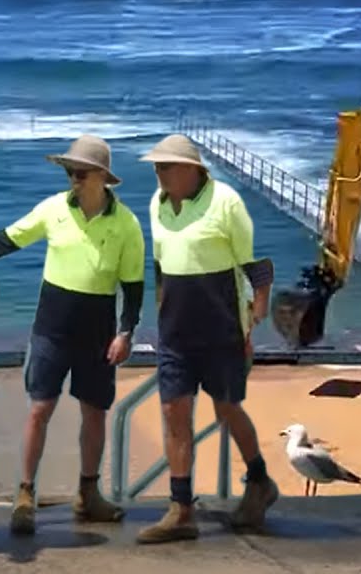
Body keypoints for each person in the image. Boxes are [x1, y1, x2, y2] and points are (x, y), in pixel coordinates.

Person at [0, 135, 144, 535]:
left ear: (102, 177)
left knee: (95, 412)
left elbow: (133, 286)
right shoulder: (53, 208)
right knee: (40, 409)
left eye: (80, 172)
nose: (73, 178)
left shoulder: (127, 224)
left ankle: (88, 494)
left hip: (98, 331)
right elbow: (9, 239)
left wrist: (126, 332)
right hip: (51, 329)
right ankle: (25, 494)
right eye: (69, 171)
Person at [135, 134, 277, 544]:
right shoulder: (157, 204)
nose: (158, 173)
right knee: (173, 413)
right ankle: (181, 509)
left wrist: (254, 319)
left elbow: (255, 266)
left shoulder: (226, 202)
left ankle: (259, 480)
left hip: (222, 330)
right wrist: (159, 311)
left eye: (165, 166)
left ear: (191, 169)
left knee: (226, 410)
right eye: (156, 167)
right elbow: (160, 265)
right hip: (175, 333)